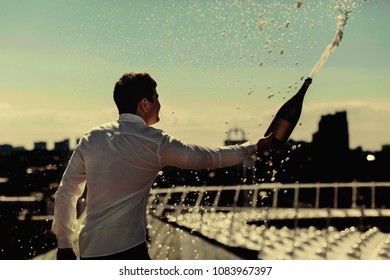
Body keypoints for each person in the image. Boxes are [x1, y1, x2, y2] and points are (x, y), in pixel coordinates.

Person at [52, 72, 278, 260]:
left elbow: (66, 192)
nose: (160, 104)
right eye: (156, 98)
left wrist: (63, 242)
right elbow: (209, 158)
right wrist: (254, 146)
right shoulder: (155, 143)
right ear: (144, 104)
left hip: (91, 252)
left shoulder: (92, 138)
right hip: (129, 250)